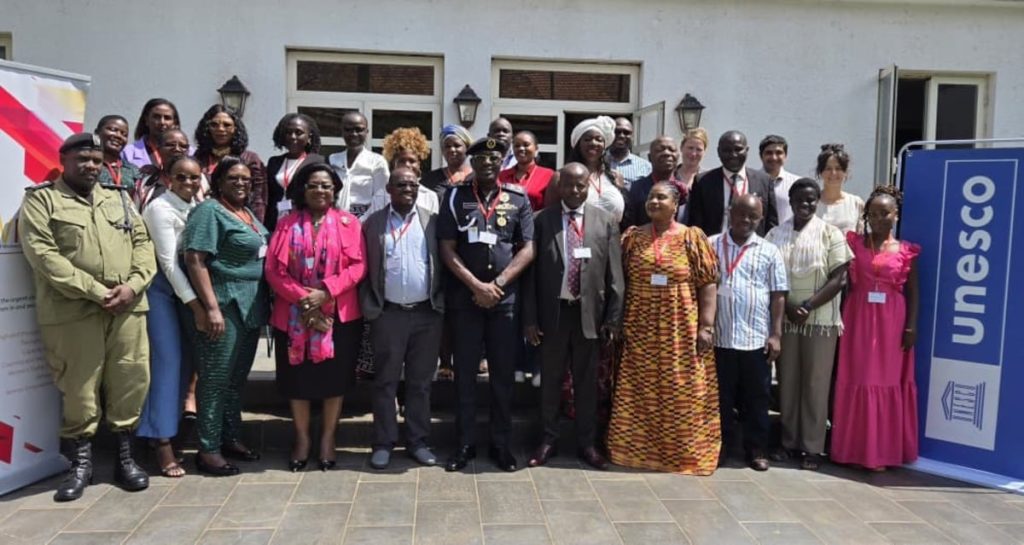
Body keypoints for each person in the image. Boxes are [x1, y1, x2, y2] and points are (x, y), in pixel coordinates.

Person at [19, 133, 155, 501]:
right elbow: (44, 256)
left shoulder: (121, 199)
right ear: (64, 159)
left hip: (127, 308)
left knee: (131, 379)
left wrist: (133, 285)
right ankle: (80, 464)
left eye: (96, 160)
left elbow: (144, 245)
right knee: (79, 388)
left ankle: (125, 458)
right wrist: (96, 292)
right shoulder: (41, 201)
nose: (91, 165)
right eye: (83, 158)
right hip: (73, 311)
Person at [606, 182, 720, 475]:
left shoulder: (692, 238)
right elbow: (619, 281)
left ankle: (682, 456)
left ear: (676, 203)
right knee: (637, 390)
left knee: (683, 389)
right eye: (650, 197)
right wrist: (616, 321)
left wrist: (706, 327)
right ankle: (634, 453)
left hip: (679, 328)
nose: (653, 201)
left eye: (661, 197)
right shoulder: (632, 237)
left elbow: (708, 283)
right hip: (639, 327)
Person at [438, 137, 535, 473]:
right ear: (472, 163)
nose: (487, 165)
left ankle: (501, 444)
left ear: (501, 162)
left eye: (494, 159)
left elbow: (527, 248)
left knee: (502, 378)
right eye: (480, 159)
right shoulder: (454, 196)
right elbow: (447, 248)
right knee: (464, 375)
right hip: (466, 300)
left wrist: (498, 284)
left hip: (504, 300)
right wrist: (477, 285)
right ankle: (464, 444)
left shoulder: (518, 199)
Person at [522, 163, 624, 470]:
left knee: (587, 384)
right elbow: (530, 277)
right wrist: (529, 319)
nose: (575, 191)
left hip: (590, 316)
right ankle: (548, 440)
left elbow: (615, 275)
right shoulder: (541, 221)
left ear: (589, 187)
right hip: (553, 316)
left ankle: (587, 444)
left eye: (581, 185)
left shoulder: (605, 221)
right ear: (559, 187)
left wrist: (613, 319)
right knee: (551, 382)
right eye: (569, 185)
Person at [265, 162, 365, 472]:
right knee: (298, 381)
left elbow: (358, 266)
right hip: (292, 314)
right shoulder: (286, 223)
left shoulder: (350, 222)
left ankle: (328, 439)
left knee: (333, 381)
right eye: (313, 185)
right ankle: (302, 439)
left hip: (337, 316)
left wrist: (326, 292)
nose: (320, 190)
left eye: (326, 185)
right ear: (302, 190)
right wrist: (305, 298)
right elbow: (272, 270)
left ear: (335, 190)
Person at [183, 156, 270, 476]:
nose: (241, 183)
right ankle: (208, 449)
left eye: (247, 179)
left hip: (249, 308)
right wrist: (211, 308)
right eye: (233, 178)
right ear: (218, 181)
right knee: (215, 379)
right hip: (224, 305)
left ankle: (231, 437)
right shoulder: (209, 211)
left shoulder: (247, 214)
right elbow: (195, 259)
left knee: (235, 381)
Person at [765, 178, 852, 470]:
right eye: (800, 199)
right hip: (786, 319)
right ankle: (789, 442)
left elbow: (840, 277)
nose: (805, 204)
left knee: (815, 382)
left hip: (820, 321)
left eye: (811, 200)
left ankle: (813, 447)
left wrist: (808, 305)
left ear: (817, 201)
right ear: (790, 201)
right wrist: (788, 307)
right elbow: (767, 275)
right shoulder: (775, 234)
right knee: (788, 381)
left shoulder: (831, 234)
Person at [360, 168, 444, 470]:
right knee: (385, 382)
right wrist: (371, 306)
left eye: (412, 184)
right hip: (389, 314)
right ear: (389, 188)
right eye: (401, 184)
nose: (408, 188)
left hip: (426, 315)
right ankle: (383, 443)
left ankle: (418, 442)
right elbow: (362, 268)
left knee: (420, 384)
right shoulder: (372, 223)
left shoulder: (432, 221)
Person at [831, 186, 920, 471]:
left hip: (892, 323)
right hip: (858, 318)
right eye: (874, 214)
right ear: (866, 216)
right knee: (855, 376)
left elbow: (914, 292)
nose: (880, 219)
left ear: (896, 215)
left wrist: (912, 326)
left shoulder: (907, 251)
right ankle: (851, 450)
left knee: (884, 381)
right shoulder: (855, 244)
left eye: (886, 213)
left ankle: (880, 452)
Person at [139, 155, 207, 478]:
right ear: (168, 178)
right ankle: (161, 442)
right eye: (182, 178)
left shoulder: (195, 207)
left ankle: (172, 429)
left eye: (195, 178)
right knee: (167, 364)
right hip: (163, 293)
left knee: (185, 366)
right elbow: (169, 264)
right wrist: (198, 308)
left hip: (187, 295)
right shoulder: (159, 209)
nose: (189, 184)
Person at [710, 194, 788, 471]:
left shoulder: (769, 251)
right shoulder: (711, 244)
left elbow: (779, 294)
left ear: (760, 218)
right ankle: (720, 448)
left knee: (756, 399)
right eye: (741, 214)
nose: (746, 220)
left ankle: (756, 449)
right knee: (720, 399)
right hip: (719, 338)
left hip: (755, 339)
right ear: (730, 213)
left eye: (752, 216)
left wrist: (776, 334)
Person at [686, 130, 779, 237]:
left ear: (747, 150)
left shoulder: (764, 180)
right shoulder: (703, 181)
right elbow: (695, 225)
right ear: (718, 152)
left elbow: (771, 224)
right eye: (727, 150)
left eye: (738, 149)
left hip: (752, 250)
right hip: (713, 249)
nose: (733, 155)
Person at [194, 105, 268, 223]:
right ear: (207, 128)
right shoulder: (198, 158)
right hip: (204, 220)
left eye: (227, 125)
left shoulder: (250, 159)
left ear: (235, 128)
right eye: (214, 125)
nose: (220, 129)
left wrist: (255, 227)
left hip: (239, 222)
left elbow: (258, 200)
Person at [264, 113, 324, 234]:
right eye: (288, 132)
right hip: (274, 225)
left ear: (309, 137)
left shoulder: (317, 162)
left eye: (298, 132)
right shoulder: (274, 162)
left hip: (303, 226)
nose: (293, 136)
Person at [562, 116, 627, 223]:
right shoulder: (562, 176)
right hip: (576, 238)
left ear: (604, 146)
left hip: (611, 237)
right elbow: (551, 216)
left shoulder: (615, 177)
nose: (593, 143)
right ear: (578, 144)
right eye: (587, 139)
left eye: (599, 139)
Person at [330, 112, 389, 218]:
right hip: (334, 219)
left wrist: (364, 223)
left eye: (359, 129)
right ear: (341, 132)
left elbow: (381, 198)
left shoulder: (377, 162)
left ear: (367, 132)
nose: (354, 134)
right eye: (348, 130)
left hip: (365, 220)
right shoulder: (332, 160)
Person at [133, 128, 205, 212]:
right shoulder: (147, 181)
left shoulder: (201, 180)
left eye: (183, 146)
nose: (177, 149)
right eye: (170, 145)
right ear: (158, 148)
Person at [624, 135, 685, 227]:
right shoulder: (632, 190)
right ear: (649, 157)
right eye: (660, 150)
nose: (667, 153)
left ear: (678, 156)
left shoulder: (686, 190)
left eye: (672, 150)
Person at [122, 98, 187, 171]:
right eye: (156, 117)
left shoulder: (190, 152)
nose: (162, 122)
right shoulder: (127, 152)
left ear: (175, 123)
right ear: (146, 120)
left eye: (167, 118)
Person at [498, 130, 555, 211]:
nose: (521, 148)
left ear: (536, 149)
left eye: (526, 145)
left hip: (536, 222)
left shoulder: (548, 175)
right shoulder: (502, 176)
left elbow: (551, 208)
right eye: (517, 146)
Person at [815, 143, 864, 234]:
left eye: (838, 168)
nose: (833, 173)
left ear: (845, 172)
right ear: (820, 172)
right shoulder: (813, 203)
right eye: (828, 168)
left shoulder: (856, 203)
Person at [758, 134, 802, 225]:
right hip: (758, 237)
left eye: (779, 153)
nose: (774, 157)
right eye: (769, 153)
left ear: (785, 155)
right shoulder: (751, 181)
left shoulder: (796, 184)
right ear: (761, 156)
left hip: (787, 237)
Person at [422, 124, 473, 198]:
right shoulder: (430, 179)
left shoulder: (477, 178)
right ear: (442, 150)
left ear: (467, 148)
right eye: (447, 146)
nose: (452, 150)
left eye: (457, 145)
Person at [94, 115, 143, 192]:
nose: (119, 136)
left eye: (124, 134)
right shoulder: (88, 164)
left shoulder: (133, 170)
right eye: (113, 130)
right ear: (97, 133)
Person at [606, 117, 652, 190]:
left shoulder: (646, 167)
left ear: (633, 137)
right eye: (617, 132)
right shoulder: (597, 162)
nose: (621, 136)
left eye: (626, 132)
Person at [672, 127, 709, 193]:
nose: (693, 154)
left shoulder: (709, 178)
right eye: (690, 148)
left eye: (699, 150)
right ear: (681, 148)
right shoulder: (670, 176)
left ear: (704, 152)